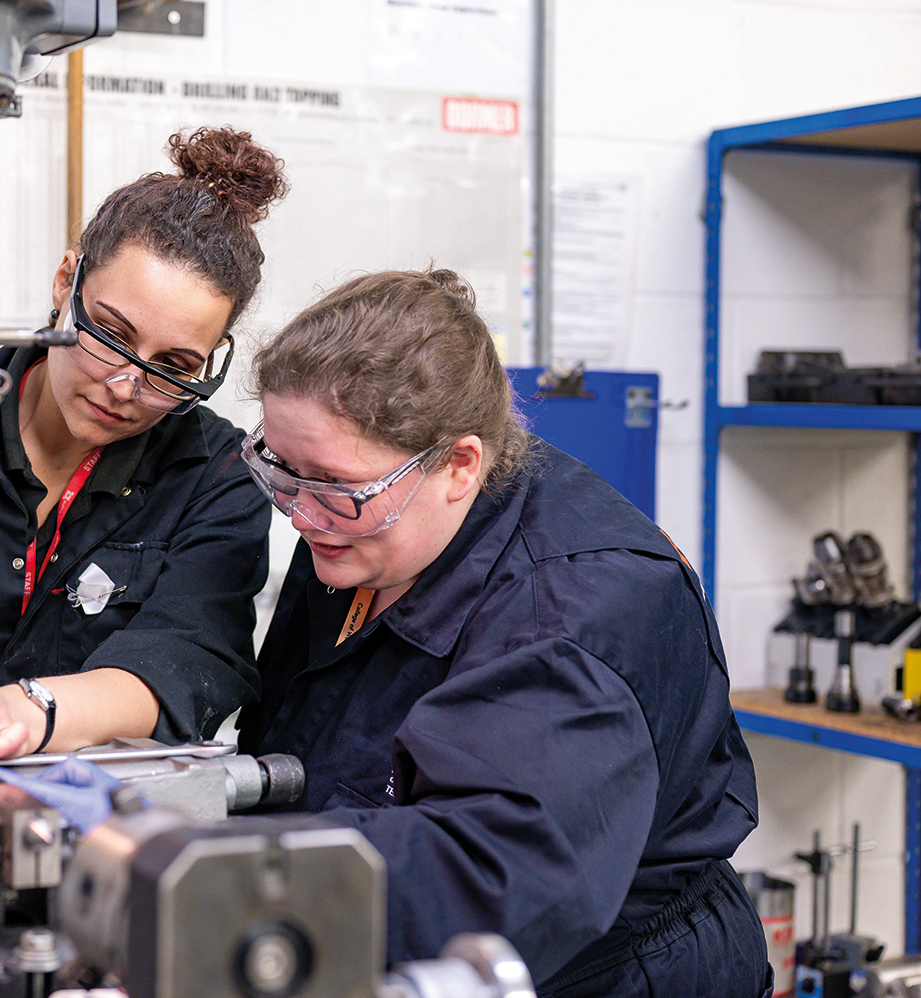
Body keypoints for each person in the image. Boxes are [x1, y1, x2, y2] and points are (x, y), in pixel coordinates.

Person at [235, 270, 770, 997]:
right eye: (282, 471)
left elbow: (493, 869)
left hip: (601, 977)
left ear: (460, 465)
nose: (299, 515)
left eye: (329, 485)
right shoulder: (366, 521)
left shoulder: (581, 609)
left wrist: (227, 876)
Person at [0, 127, 287, 780]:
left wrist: (23, 710)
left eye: (173, 366)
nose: (126, 386)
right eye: (112, 335)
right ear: (67, 284)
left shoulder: (217, 475)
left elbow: (189, 660)